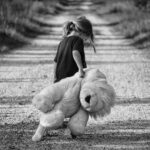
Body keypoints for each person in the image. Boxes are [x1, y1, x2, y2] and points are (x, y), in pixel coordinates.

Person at [53, 16, 96, 83]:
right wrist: (80, 70)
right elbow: (75, 53)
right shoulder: (78, 40)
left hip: (60, 77)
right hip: (72, 77)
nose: (85, 40)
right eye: (87, 37)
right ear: (82, 32)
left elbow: (56, 61)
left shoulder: (62, 41)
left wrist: (55, 77)